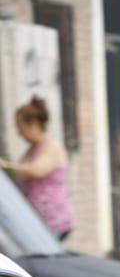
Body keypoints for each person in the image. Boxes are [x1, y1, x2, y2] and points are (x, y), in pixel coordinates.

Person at [1, 96, 74, 241]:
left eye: (20, 127)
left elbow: (37, 170)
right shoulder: (32, 150)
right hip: (36, 221)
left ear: (33, 123)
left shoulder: (51, 147)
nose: (19, 133)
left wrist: (7, 165)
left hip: (53, 221)